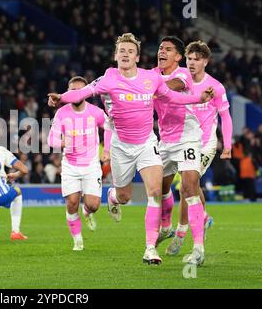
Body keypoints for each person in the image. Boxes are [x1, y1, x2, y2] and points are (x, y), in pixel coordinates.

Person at [48, 33, 214, 265]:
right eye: (121, 51)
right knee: (124, 196)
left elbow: (173, 98)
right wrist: (62, 98)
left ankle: (149, 249)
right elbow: (83, 92)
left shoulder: (150, 79)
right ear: (116, 56)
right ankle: (113, 197)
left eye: (130, 51)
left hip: (147, 143)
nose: (125, 54)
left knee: (155, 192)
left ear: (137, 57)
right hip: (120, 145)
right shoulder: (108, 78)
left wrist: (198, 98)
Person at [163, 41, 233, 259]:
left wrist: (227, 146)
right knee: (183, 187)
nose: (192, 63)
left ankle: (181, 234)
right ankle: (202, 217)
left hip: (204, 144)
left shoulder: (216, 87)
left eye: (197, 59)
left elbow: (226, 117)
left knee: (186, 186)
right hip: (182, 141)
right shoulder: (181, 80)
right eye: (189, 59)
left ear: (206, 61)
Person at [152, 36, 211, 266]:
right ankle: (166, 226)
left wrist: (149, 87)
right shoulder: (151, 75)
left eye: (168, 49)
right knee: (159, 188)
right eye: (160, 48)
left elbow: (171, 87)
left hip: (188, 137)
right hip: (165, 141)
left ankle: (198, 249)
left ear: (178, 56)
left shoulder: (183, 74)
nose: (162, 51)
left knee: (189, 187)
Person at [47, 76, 112, 251]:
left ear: (85, 93)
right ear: (67, 92)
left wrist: (106, 150)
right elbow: (51, 139)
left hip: (91, 165)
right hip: (70, 165)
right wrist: (62, 143)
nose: (75, 94)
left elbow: (109, 127)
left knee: (93, 205)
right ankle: (77, 240)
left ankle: (87, 212)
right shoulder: (62, 113)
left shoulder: (95, 112)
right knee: (72, 203)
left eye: (79, 90)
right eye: (72, 90)